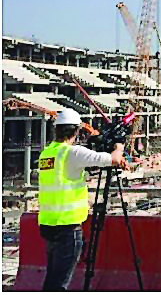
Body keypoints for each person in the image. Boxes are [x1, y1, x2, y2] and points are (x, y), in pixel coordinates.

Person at [38, 108, 128, 291]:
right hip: (67, 227)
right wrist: (119, 145)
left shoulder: (47, 153)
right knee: (59, 285)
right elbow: (113, 159)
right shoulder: (72, 153)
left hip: (48, 225)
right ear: (76, 131)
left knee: (52, 278)